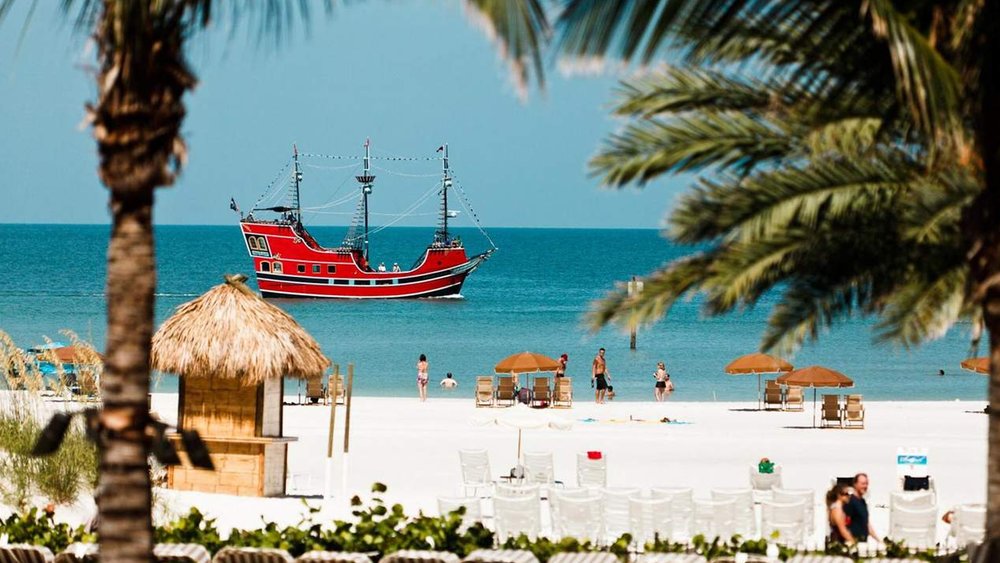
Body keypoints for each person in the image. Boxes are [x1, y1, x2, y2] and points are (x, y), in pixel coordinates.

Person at [843, 473, 880, 543]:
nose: (865, 486)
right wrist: (852, 542)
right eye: (863, 484)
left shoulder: (863, 502)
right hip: (852, 543)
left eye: (866, 484)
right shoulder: (850, 502)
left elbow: (866, 524)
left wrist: (879, 541)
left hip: (862, 543)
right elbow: (843, 524)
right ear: (855, 484)